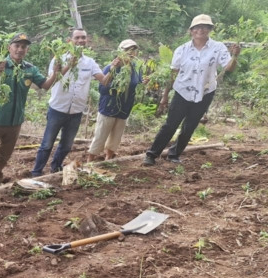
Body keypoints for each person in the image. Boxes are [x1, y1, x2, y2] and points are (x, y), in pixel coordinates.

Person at [0, 33, 59, 194]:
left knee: (3, 157)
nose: (20, 49)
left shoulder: (30, 69)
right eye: (17, 46)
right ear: (9, 48)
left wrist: (56, 73)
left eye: (23, 47)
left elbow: (45, 85)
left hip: (15, 122)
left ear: (27, 50)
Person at [143, 14, 240, 165]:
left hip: (205, 93)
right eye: (197, 27)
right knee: (170, 124)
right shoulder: (182, 50)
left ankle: (174, 154)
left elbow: (229, 68)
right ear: (191, 31)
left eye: (205, 27)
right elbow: (173, 74)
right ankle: (151, 154)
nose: (201, 30)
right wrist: (165, 96)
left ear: (209, 30)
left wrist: (234, 56)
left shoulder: (218, 48)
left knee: (190, 126)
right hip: (182, 91)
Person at [31, 27, 109, 176]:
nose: (80, 41)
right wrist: (69, 65)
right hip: (57, 110)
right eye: (77, 38)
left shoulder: (90, 63)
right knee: (47, 144)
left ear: (87, 41)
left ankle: (56, 167)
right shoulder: (58, 59)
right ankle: (36, 171)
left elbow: (104, 81)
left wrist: (113, 67)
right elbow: (52, 81)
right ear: (70, 41)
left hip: (76, 112)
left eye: (83, 38)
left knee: (66, 145)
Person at [86, 39, 145, 161]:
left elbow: (137, 83)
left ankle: (109, 158)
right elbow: (102, 88)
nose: (131, 53)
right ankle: (90, 160)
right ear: (120, 52)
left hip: (124, 108)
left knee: (116, 136)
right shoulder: (110, 67)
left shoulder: (136, 68)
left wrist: (143, 82)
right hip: (109, 106)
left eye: (133, 50)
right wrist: (113, 69)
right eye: (127, 50)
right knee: (100, 135)